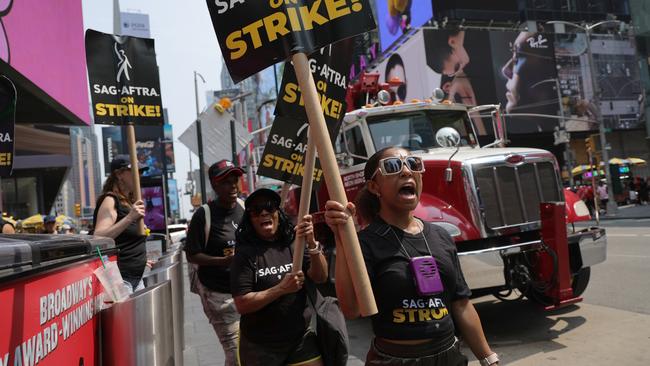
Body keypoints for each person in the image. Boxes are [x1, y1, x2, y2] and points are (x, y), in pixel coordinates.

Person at [325, 147, 498, 366]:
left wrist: (489, 358)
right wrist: (342, 237)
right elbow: (351, 309)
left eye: (414, 164)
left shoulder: (441, 236)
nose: (407, 171)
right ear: (374, 186)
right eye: (392, 166)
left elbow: (460, 303)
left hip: (449, 356)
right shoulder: (365, 242)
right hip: (394, 360)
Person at [230, 188, 328, 366]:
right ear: (250, 219)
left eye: (270, 207)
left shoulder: (293, 242)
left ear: (278, 212)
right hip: (260, 346)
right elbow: (242, 304)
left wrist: (312, 244)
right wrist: (281, 289)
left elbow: (320, 277)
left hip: (300, 338)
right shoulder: (245, 254)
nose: (264, 212)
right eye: (257, 210)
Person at [183, 159, 245, 366]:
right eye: (226, 181)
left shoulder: (245, 209)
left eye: (235, 179)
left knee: (251, 349)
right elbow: (192, 255)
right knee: (236, 353)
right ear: (215, 185)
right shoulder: (204, 215)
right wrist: (223, 260)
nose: (233, 185)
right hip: (219, 295)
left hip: (247, 290)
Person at [93, 155, 148, 293]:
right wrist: (130, 218)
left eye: (141, 171)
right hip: (121, 280)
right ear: (119, 174)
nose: (139, 175)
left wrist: (141, 260)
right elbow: (99, 237)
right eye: (135, 171)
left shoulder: (129, 202)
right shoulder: (110, 200)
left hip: (137, 278)